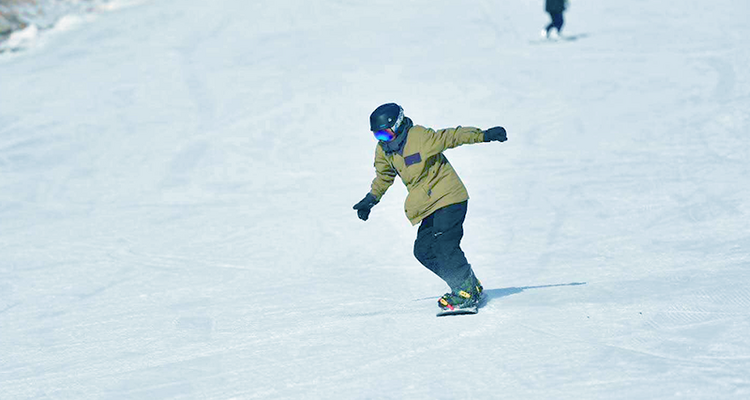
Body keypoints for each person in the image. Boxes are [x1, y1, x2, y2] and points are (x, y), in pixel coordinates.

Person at [353, 103, 508, 312]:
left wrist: (484, 135)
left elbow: (452, 137)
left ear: (397, 125)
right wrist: (371, 199)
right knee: (423, 250)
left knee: (445, 245)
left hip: (449, 197)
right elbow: (384, 176)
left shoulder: (419, 137)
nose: (383, 140)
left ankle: (465, 291)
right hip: (427, 205)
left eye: (385, 134)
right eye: (378, 136)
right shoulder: (384, 151)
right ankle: (467, 284)